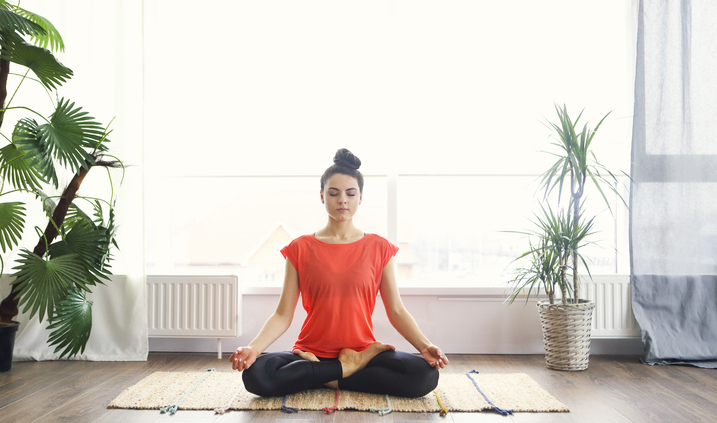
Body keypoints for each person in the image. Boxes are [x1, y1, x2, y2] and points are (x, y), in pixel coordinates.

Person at [229, 148, 448, 398]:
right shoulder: (300, 248)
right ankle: (345, 369)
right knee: (255, 375)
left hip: (363, 351)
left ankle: (323, 375)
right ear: (322, 197)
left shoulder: (379, 248)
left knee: (425, 375)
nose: (342, 200)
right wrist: (254, 348)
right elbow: (282, 313)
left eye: (350, 193)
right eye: (333, 193)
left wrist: (425, 345)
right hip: (310, 353)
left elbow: (396, 310)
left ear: (360, 198)